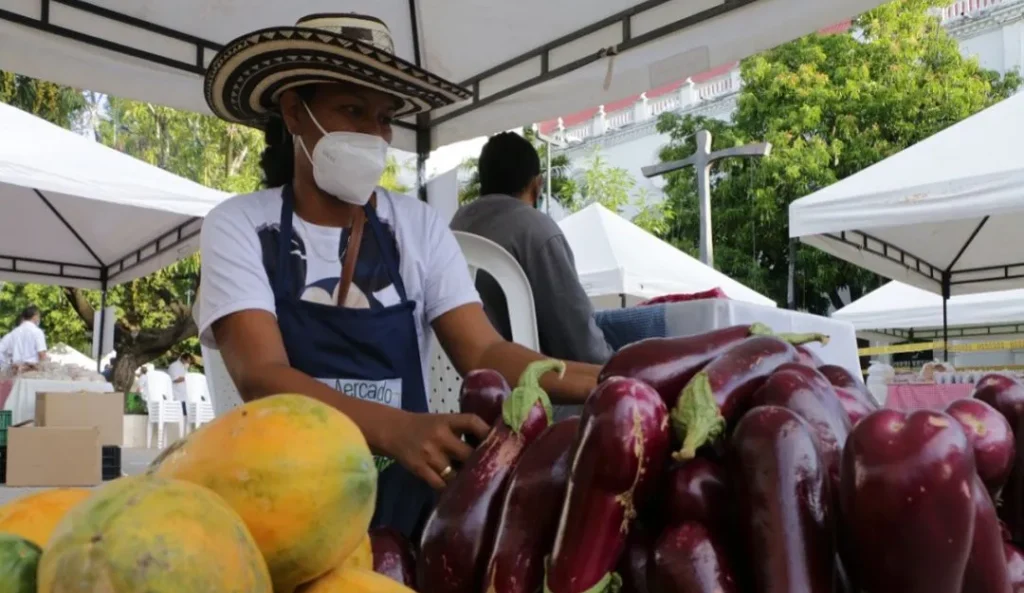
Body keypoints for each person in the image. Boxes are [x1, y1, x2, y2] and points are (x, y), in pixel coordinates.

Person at [197, 13, 601, 540]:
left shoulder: (416, 226)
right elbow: (262, 374)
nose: (374, 133)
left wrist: (607, 381)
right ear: (294, 112)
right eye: (352, 110)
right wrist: (396, 429)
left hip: (406, 498)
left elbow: (484, 354)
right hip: (285, 498)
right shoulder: (240, 226)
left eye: (384, 117)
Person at [451, 132, 614, 367]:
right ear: (536, 184)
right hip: (531, 387)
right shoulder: (537, 231)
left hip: (461, 383)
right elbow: (580, 342)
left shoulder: (455, 226)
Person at [3, 305, 47, 371]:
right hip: (32, 371)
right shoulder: (37, 332)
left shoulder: (14, 332)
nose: (39, 319)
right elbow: (41, 355)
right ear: (35, 316)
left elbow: (8, 353)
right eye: (39, 316)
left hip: (16, 371)